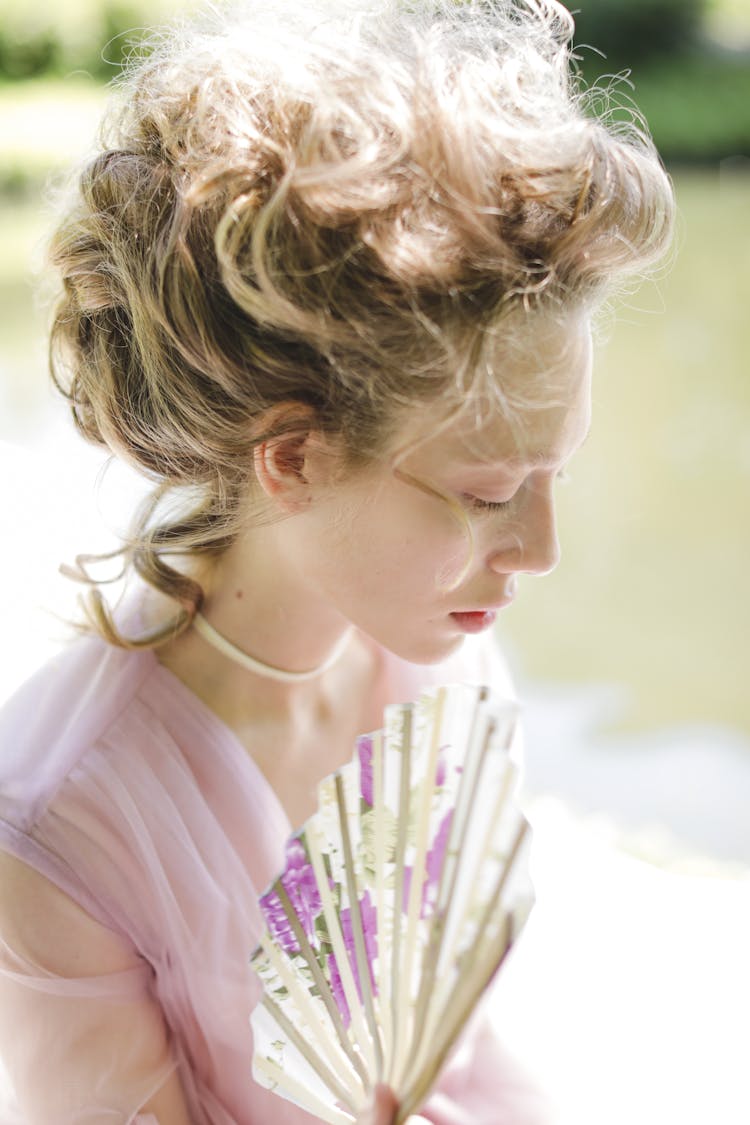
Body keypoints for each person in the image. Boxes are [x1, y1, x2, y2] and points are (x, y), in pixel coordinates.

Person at [0, 0, 674, 1122]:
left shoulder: (442, 666)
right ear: (294, 458)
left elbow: (472, 1053)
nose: (541, 554)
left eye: (558, 475)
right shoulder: (63, 832)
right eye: (489, 495)